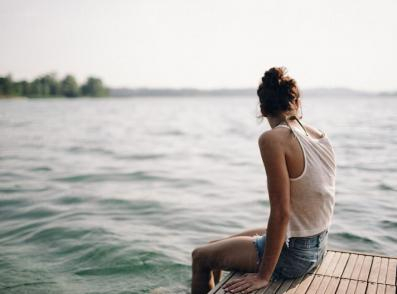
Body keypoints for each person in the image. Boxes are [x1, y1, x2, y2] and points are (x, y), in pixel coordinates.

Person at [190, 66, 336, 294]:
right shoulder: (320, 136)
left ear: (262, 109)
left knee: (199, 257)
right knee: (213, 247)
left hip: (294, 256)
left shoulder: (273, 139)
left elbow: (281, 213)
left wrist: (263, 276)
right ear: (296, 103)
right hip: (318, 246)